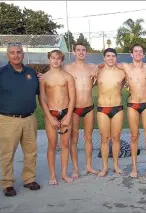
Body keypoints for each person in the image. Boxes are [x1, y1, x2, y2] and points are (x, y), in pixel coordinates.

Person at [94, 44, 146, 177]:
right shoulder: (125, 67)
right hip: (133, 104)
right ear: (131, 54)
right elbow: (109, 63)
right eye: (135, 51)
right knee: (134, 136)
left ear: (143, 54)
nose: (138, 53)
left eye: (140, 52)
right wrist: (95, 67)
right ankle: (134, 168)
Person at [0, 42, 41, 197]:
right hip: (8, 120)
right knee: (7, 154)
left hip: (29, 118)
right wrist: (1, 111)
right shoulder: (0, 73)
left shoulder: (31, 73)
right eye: (12, 52)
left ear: (23, 54)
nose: (16, 55)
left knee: (31, 152)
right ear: (7, 55)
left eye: (19, 52)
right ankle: (7, 183)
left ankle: (29, 179)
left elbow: (38, 93)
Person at [39, 50, 76, 185]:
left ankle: (64, 173)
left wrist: (68, 116)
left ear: (62, 60)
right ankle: (53, 175)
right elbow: (42, 99)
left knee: (65, 144)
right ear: (49, 59)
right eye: (53, 58)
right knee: (52, 145)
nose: (55, 60)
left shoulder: (68, 77)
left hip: (66, 113)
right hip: (51, 113)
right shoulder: (44, 78)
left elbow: (72, 98)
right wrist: (49, 117)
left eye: (58, 58)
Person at [62, 43, 99, 179]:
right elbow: (54, 73)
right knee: (74, 139)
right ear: (73, 52)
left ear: (86, 53)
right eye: (78, 50)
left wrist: (96, 67)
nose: (81, 52)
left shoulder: (92, 67)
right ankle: (76, 169)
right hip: (74, 109)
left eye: (83, 50)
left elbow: (105, 65)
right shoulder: (67, 68)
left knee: (88, 138)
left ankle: (89, 166)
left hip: (89, 107)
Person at [95, 48, 126, 176]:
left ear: (116, 58)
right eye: (108, 56)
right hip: (102, 109)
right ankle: (104, 167)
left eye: (113, 56)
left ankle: (116, 165)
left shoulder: (122, 72)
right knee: (104, 139)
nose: (111, 58)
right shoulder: (97, 72)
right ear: (104, 58)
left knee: (116, 138)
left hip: (117, 108)